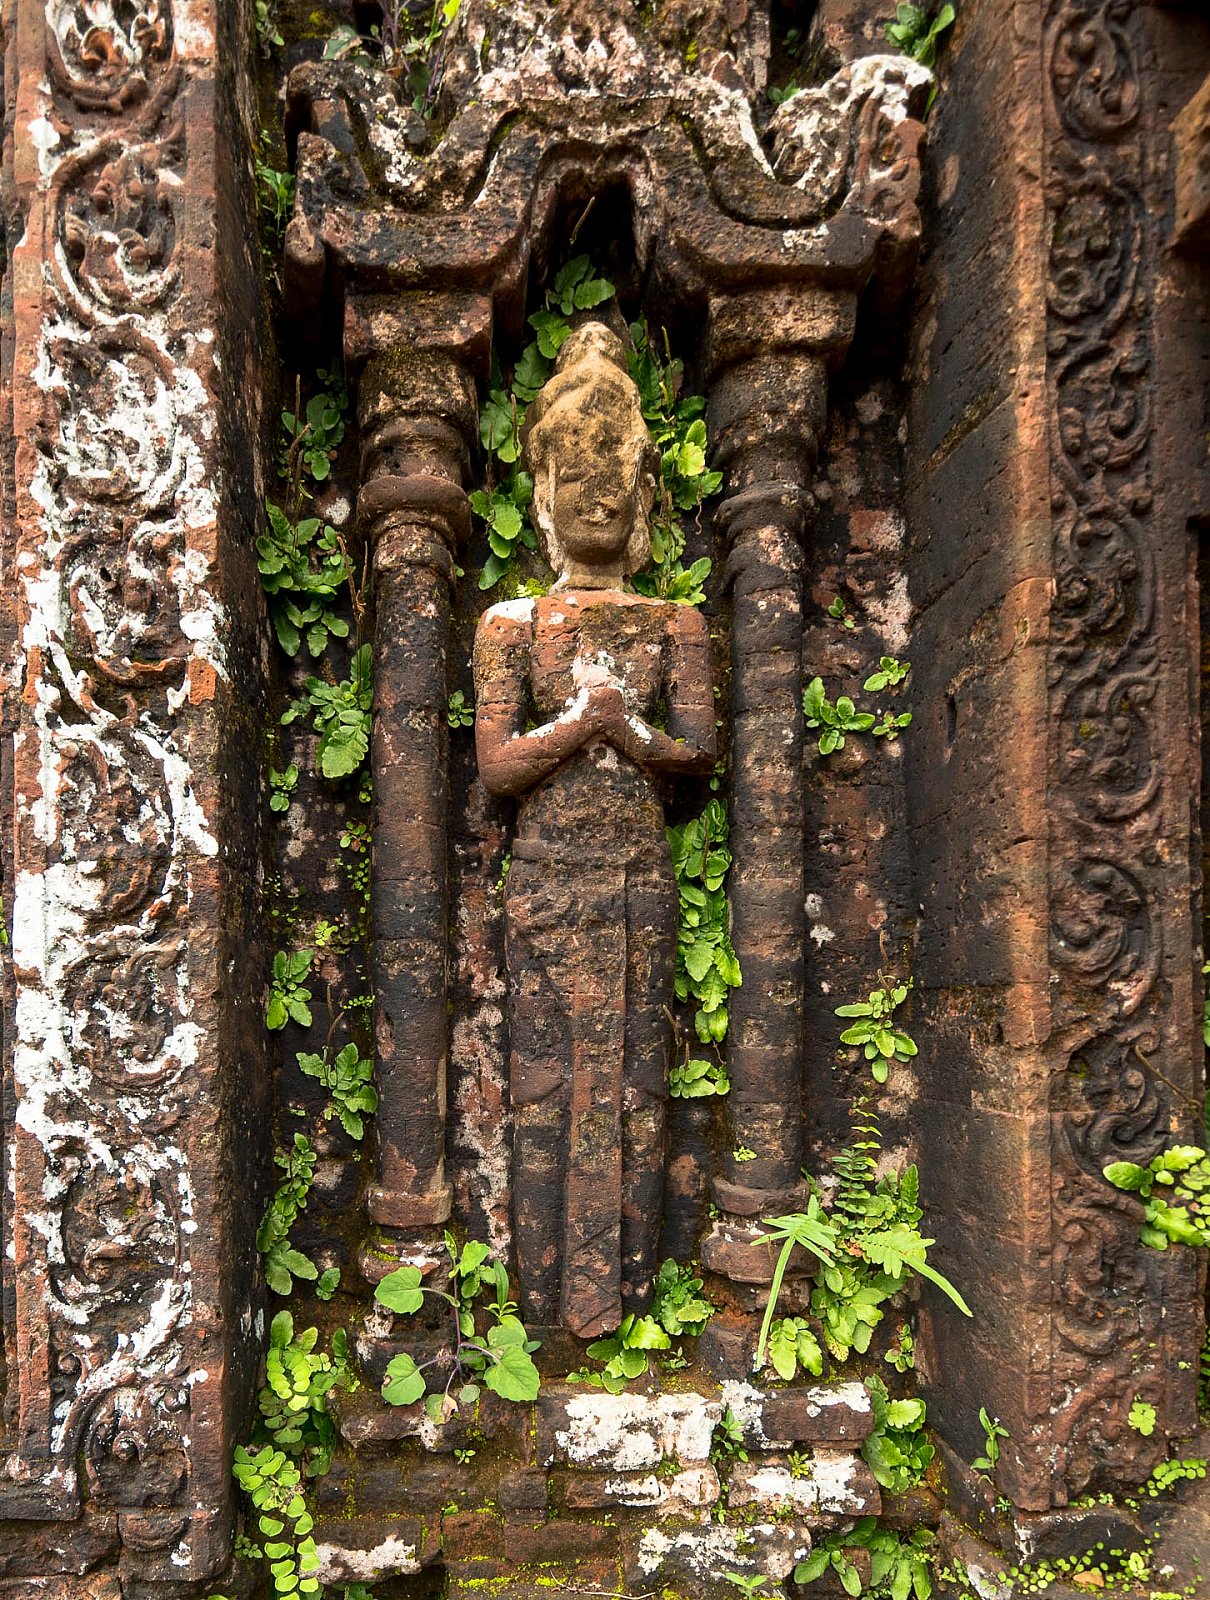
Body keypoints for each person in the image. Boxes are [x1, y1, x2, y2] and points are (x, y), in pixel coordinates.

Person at [473, 322, 716, 1337]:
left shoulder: (675, 624)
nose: (598, 499)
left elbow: (696, 756)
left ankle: (626, 1298)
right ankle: (543, 1305)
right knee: (543, 1084)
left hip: (636, 880)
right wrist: (583, 723)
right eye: (576, 480)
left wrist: (633, 730)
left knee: (632, 1087)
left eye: (616, 481)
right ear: (543, 493)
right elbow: (497, 766)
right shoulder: (512, 625)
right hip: (547, 883)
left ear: (645, 493)